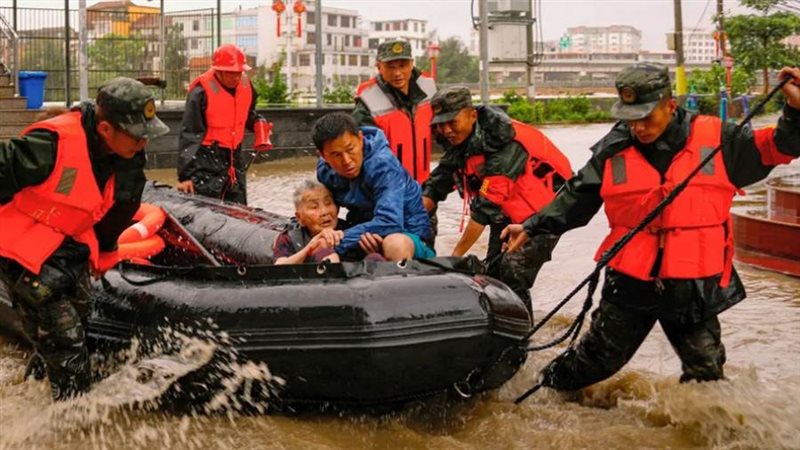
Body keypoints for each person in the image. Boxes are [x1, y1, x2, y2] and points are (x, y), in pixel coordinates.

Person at [502, 63, 800, 392]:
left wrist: (796, 108)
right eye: (631, 118)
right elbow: (576, 196)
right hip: (631, 277)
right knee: (597, 360)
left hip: (692, 279)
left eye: (646, 117)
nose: (638, 127)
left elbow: (780, 146)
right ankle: (543, 391)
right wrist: (531, 225)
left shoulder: (719, 138)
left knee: (706, 370)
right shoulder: (613, 149)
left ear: (670, 105)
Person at [0, 77, 169, 400]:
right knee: (66, 339)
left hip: (68, 246)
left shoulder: (130, 154)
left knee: (79, 313)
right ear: (106, 130)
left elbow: (123, 205)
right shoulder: (50, 145)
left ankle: (36, 389)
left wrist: (106, 251)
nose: (144, 142)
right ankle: (72, 419)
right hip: (23, 251)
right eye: (137, 135)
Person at [421, 86, 572, 310]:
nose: (446, 130)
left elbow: (484, 210)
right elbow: (437, 184)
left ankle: (522, 336)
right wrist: (411, 218)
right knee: (493, 275)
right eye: (440, 124)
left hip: (546, 213)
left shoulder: (503, 142)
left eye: (452, 122)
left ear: (472, 115)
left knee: (512, 273)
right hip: (508, 214)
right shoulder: (460, 142)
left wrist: (455, 258)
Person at [314, 112, 434, 262]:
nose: (347, 161)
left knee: (395, 243)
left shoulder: (383, 166)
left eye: (350, 149)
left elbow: (390, 222)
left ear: (360, 139)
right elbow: (327, 213)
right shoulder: (324, 171)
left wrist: (340, 241)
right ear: (323, 156)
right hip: (364, 232)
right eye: (336, 155)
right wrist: (324, 234)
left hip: (407, 235)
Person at [176, 44, 267, 205]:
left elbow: (247, 114)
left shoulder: (247, 87)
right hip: (206, 159)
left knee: (238, 207)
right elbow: (190, 134)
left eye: (239, 72)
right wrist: (185, 176)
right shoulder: (200, 93)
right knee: (207, 210)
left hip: (234, 158)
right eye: (231, 73)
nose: (236, 77)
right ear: (218, 70)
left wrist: (258, 123)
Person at [352, 39, 437, 184]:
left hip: (423, 187)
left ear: (411, 64)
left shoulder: (428, 88)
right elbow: (366, 154)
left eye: (402, 66)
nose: (397, 73)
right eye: (390, 67)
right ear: (379, 67)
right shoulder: (367, 101)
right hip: (388, 189)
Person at [272, 180, 345, 264]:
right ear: (300, 218)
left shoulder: (349, 230)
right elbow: (279, 267)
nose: (324, 212)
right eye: (314, 207)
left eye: (328, 203)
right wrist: (310, 248)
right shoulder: (289, 238)